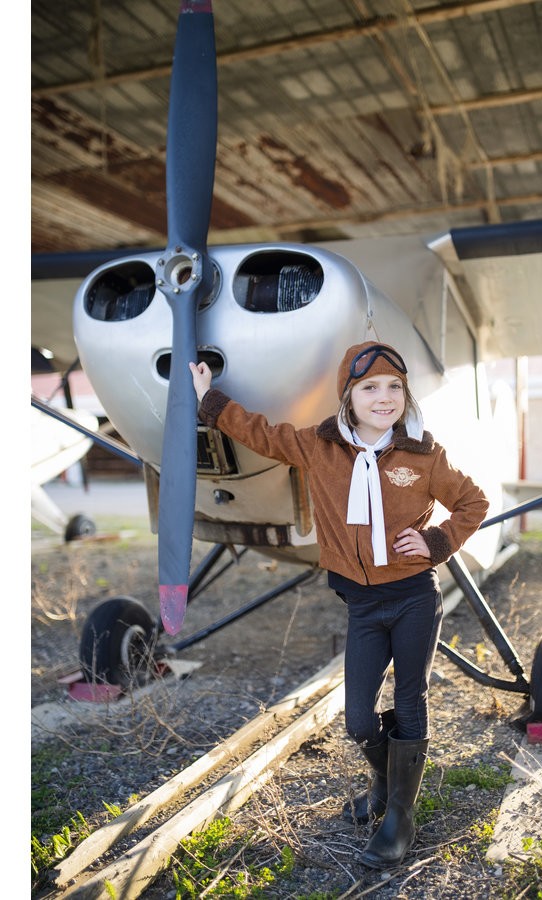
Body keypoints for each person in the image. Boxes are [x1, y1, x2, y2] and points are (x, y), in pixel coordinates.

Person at [189, 341, 489, 868]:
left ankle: (400, 814)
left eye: (395, 386)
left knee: (412, 697)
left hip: (415, 596)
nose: (385, 397)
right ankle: (382, 782)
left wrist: (437, 541)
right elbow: (262, 434)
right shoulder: (318, 446)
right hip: (363, 604)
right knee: (357, 719)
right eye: (370, 387)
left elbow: (473, 501)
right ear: (348, 398)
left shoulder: (423, 454)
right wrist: (208, 400)